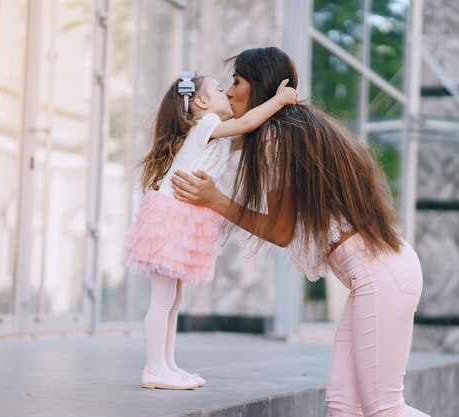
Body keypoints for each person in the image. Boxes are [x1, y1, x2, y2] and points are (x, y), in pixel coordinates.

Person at [171, 47, 430, 416]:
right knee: (343, 406)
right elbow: (222, 142)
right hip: (379, 272)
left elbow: (280, 231)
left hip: (382, 273)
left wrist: (216, 199)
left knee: (385, 409)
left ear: (258, 86)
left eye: (236, 81)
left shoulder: (280, 139)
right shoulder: (289, 130)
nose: (229, 92)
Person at [122, 71, 297, 390]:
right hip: (171, 217)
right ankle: (154, 367)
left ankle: (167, 364)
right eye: (219, 89)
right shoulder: (206, 125)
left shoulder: (213, 133)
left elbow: (247, 133)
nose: (226, 93)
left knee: (172, 300)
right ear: (201, 101)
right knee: (162, 300)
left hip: (183, 217)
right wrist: (278, 100)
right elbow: (247, 124)